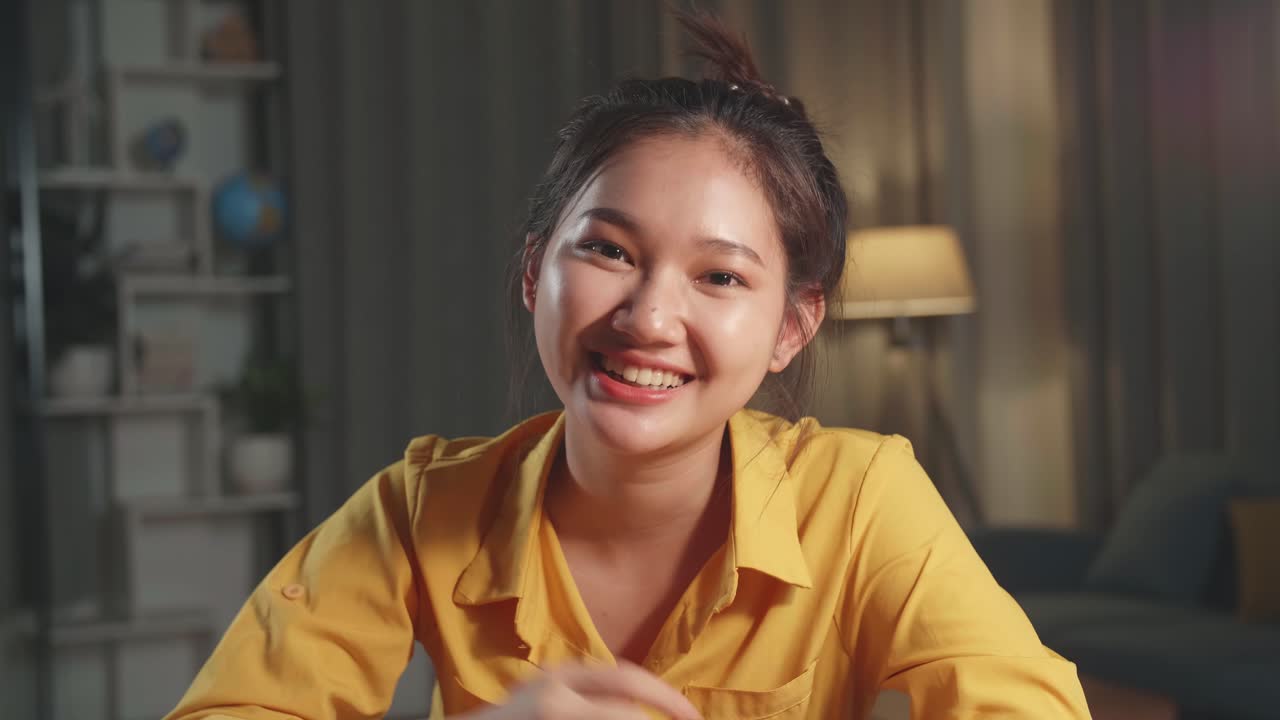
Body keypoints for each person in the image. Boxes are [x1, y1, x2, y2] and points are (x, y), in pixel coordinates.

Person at [166, 11, 1091, 720]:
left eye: (720, 276)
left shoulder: (859, 500)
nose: (648, 318)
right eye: (608, 251)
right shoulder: (419, 509)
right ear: (535, 271)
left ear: (792, 326)